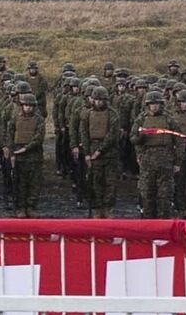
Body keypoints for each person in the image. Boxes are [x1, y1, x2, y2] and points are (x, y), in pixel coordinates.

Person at [72, 86, 122, 218]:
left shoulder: (113, 114)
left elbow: (112, 135)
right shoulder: (87, 114)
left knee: (110, 183)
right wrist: (87, 153)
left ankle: (108, 208)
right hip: (93, 150)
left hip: (109, 153)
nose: (99, 102)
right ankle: (98, 208)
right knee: (95, 182)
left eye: (102, 100)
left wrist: (100, 150)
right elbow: (84, 134)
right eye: (97, 99)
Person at [131, 91, 178, 218]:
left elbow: (179, 140)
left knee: (165, 196)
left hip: (165, 160)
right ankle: (148, 226)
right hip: (147, 160)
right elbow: (133, 139)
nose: (154, 106)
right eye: (152, 104)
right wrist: (141, 137)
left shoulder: (169, 119)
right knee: (147, 195)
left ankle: (164, 226)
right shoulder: (141, 119)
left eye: (157, 104)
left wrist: (177, 162)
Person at [4, 93, 45, 218]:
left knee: (34, 184)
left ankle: (31, 207)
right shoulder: (15, 118)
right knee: (19, 184)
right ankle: (20, 207)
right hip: (18, 156)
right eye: (25, 105)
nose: (28, 108)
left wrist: (26, 148)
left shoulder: (39, 120)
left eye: (30, 105)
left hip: (34, 156)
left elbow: (39, 137)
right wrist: (11, 152)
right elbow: (9, 135)